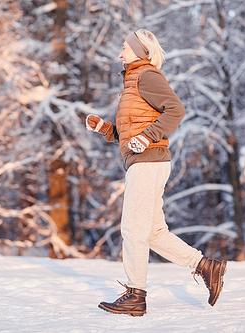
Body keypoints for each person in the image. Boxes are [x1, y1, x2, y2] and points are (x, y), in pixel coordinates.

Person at [85, 29, 227, 317]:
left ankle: (135, 295)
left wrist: (148, 137)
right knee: (153, 232)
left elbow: (175, 110)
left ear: (140, 50)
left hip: (148, 162)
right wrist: (107, 130)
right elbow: (132, 132)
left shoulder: (146, 75)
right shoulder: (132, 80)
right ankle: (206, 266)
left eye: (124, 46)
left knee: (133, 230)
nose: (119, 52)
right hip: (146, 161)